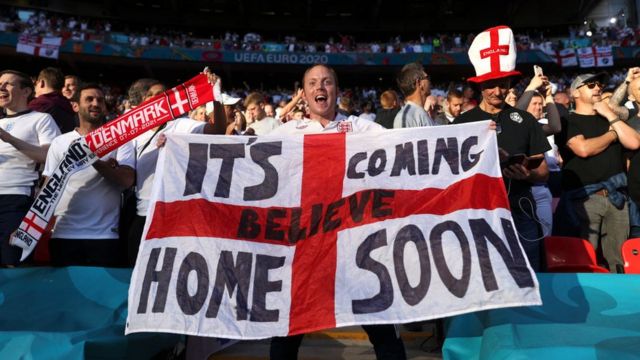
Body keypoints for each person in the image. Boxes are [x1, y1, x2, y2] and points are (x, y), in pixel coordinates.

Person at [269, 64, 406, 360]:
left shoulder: (362, 128)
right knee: (287, 334)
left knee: (383, 330)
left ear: (336, 91)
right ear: (304, 94)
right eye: (313, 83)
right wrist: (177, 146)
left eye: (327, 82)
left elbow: (406, 148)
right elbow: (241, 159)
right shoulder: (286, 133)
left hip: (356, 247)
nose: (320, 87)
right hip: (305, 249)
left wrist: (473, 136)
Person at [454, 26, 551, 271]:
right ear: (479, 86)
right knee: (485, 277)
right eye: (491, 85)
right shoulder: (462, 123)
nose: (498, 91)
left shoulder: (526, 120)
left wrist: (527, 174)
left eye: (503, 84)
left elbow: (543, 171)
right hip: (478, 214)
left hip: (520, 211)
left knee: (530, 276)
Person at [127, 73, 227, 265]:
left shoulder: (180, 125)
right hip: (142, 217)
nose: (161, 98)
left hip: (173, 218)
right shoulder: (132, 132)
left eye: (164, 94)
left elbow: (218, 130)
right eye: (154, 95)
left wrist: (216, 96)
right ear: (141, 103)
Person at [553, 72, 640, 272]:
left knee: (618, 261)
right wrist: (612, 134)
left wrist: (610, 115)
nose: (597, 88)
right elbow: (583, 149)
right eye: (590, 85)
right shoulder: (568, 121)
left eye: (599, 84)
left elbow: (634, 142)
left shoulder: (609, 118)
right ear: (575, 93)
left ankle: (620, 300)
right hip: (584, 198)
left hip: (617, 199)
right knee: (585, 258)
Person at [43, 83, 135, 267]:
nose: (95, 103)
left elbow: (127, 180)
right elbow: (47, 191)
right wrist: (28, 229)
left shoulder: (120, 140)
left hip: (105, 236)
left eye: (100, 100)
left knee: (103, 295)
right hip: (64, 234)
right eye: (89, 99)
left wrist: (92, 159)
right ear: (75, 106)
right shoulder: (60, 143)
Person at [0, 70, 60, 266]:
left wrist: (9, 139)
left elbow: (49, 157)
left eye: (8, 84)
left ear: (26, 91)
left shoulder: (41, 119)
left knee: (13, 263)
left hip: (17, 198)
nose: (1, 87)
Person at [28, 67, 75, 133]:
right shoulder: (69, 107)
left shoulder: (39, 104)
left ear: (42, 83)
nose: (35, 88)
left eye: (36, 84)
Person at [393, 62, 435, 128]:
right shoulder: (406, 116)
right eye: (427, 77)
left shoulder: (424, 113)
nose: (429, 81)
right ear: (419, 83)